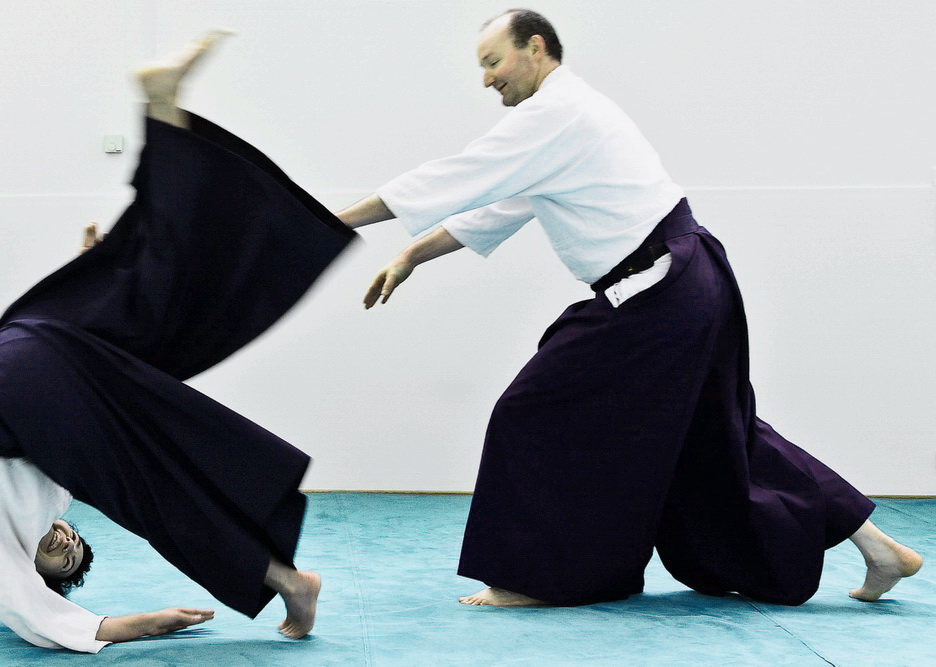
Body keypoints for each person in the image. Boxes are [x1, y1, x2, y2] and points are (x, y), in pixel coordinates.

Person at [335, 9, 922, 607]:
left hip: (660, 288)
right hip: (685, 282)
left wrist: (329, 221)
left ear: (535, 47)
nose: (487, 79)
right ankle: (881, 550)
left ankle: (535, 578)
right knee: (715, 427)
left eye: (493, 61)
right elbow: (499, 208)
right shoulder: (563, 121)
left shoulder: (556, 112)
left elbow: (454, 177)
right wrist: (411, 254)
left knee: (530, 409)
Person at [0, 29, 355, 651]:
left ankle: (288, 582)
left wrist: (142, 624)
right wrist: (99, 287)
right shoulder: (54, 484)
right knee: (158, 313)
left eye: (58, 557)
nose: (64, 542)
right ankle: (161, 115)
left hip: (6, 393)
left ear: (38, 574)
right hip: (31, 355)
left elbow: (30, 612)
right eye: (73, 548)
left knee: (157, 491)